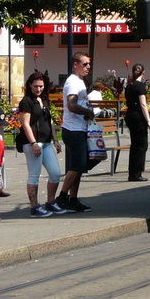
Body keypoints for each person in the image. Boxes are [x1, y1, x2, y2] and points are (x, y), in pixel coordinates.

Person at [16, 71, 65, 217]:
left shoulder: (45, 100)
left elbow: (49, 121)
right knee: (34, 175)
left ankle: (50, 202)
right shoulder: (26, 101)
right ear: (30, 85)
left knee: (55, 173)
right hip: (33, 143)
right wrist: (33, 143)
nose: (39, 89)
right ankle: (35, 207)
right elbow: (25, 124)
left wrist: (55, 139)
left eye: (41, 86)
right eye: (36, 86)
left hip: (47, 142)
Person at [55, 52, 94, 213]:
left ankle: (73, 199)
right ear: (76, 65)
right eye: (85, 64)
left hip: (80, 128)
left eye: (89, 64)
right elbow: (71, 105)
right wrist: (88, 112)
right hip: (73, 129)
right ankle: (62, 197)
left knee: (79, 166)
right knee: (77, 165)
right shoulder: (72, 82)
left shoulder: (80, 81)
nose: (88, 67)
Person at [123, 63, 150, 182]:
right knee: (142, 146)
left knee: (134, 145)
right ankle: (137, 173)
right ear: (143, 73)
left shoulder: (129, 86)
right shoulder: (140, 86)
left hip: (130, 115)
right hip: (138, 118)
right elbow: (143, 104)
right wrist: (149, 121)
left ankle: (132, 173)